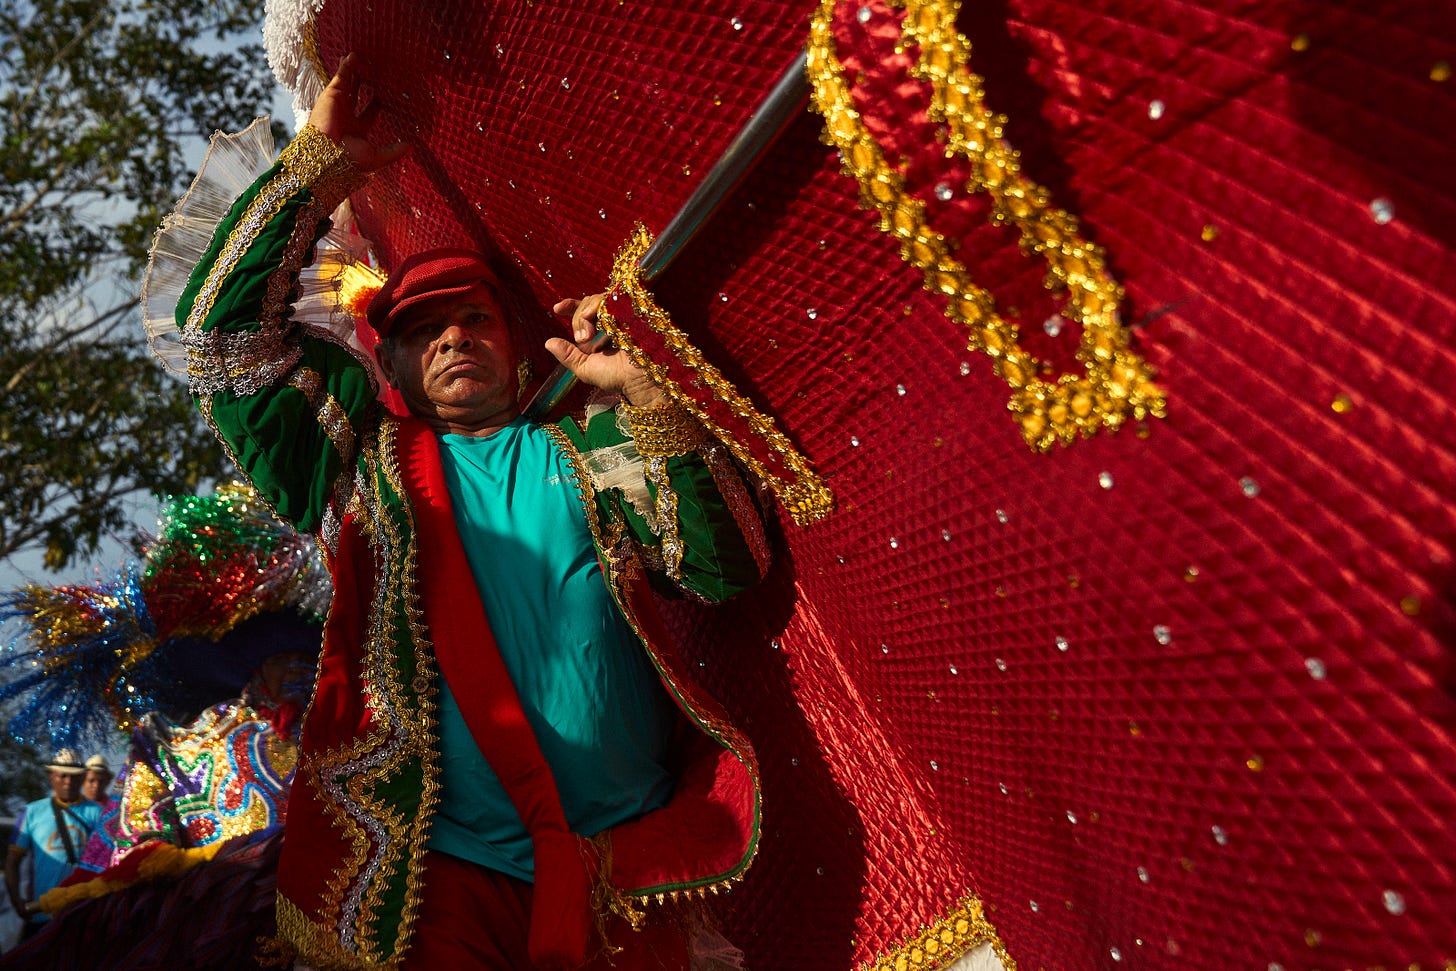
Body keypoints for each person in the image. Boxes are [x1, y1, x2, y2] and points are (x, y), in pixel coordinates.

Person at [170, 53, 769, 971]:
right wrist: (318, 171)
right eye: (423, 330)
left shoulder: (595, 446)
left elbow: (727, 574)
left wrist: (650, 397)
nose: (454, 337)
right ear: (390, 365)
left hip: (626, 866)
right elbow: (220, 342)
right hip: (443, 881)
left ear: (517, 347)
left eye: (476, 319)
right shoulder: (352, 468)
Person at [4, 750, 103, 940]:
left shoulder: (98, 812)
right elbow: (12, 861)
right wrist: (17, 901)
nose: (68, 781)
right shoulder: (32, 812)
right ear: (52, 777)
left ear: (82, 778)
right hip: (41, 912)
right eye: (63, 775)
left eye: (74, 776)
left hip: (84, 911)